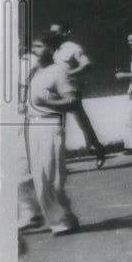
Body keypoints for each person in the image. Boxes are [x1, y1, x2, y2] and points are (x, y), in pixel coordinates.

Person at [18, 34, 80, 235]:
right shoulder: (35, 71)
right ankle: (31, 215)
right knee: (19, 173)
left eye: (40, 46)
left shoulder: (60, 72)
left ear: (52, 50)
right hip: (29, 125)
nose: (35, 49)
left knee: (48, 178)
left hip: (49, 126)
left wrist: (49, 103)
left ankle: (64, 219)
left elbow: (73, 102)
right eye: (33, 45)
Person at [48, 22, 107, 168]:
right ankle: (60, 162)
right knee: (57, 127)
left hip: (70, 90)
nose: (53, 35)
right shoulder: (52, 50)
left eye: (56, 32)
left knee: (82, 123)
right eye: (51, 32)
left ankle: (97, 149)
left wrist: (68, 73)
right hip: (55, 91)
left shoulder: (74, 48)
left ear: (65, 33)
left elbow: (86, 65)